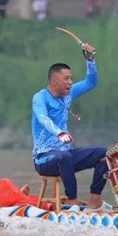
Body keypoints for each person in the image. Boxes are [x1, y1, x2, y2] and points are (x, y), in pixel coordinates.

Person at [31, 45, 108, 210]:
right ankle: (73, 203)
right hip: (43, 158)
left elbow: (91, 82)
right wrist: (60, 133)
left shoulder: (69, 94)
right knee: (64, 157)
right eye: (66, 79)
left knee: (104, 154)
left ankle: (95, 200)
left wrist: (90, 60)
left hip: (65, 155)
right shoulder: (40, 97)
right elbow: (43, 118)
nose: (70, 82)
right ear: (54, 81)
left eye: (71, 78)